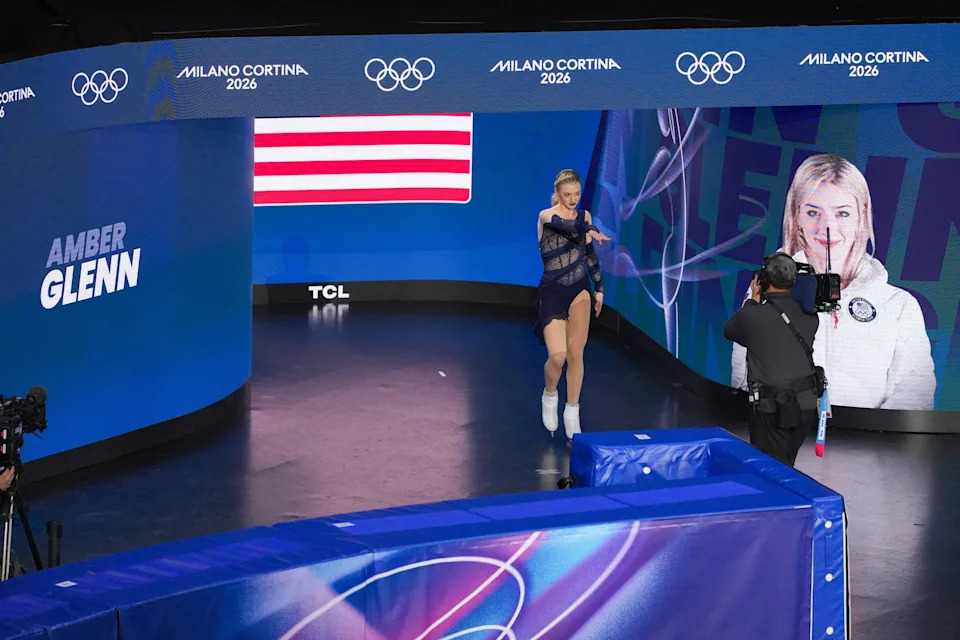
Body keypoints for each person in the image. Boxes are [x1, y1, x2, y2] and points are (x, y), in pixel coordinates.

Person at [731, 153, 936, 410]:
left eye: (842, 213)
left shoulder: (898, 306)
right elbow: (744, 381)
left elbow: (915, 392)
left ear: (861, 216)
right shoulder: (766, 290)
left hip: (867, 436)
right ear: (796, 217)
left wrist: (867, 434)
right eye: (813, 212)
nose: (828, 227)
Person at [723, 253, 820, 467]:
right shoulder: (811, 317)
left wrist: (752, 300)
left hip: (772, 409)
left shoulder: (751, 316)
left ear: (763, 280)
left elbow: (729, 331)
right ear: (793, 281)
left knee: (770, 468)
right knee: (786, 463)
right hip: (805, 406)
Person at [536, 169, 610, 439]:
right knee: (558, 357)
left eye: (577, 194)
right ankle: (550, 394)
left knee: (576, 354)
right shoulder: (546, 216)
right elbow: (567, 226)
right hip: (552, 291)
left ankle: (572, 411)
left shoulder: (584, 216)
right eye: (567, 195)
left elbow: (588, 252)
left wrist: (599, 287)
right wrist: (591, 229)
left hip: (579, 289)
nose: (573, 199)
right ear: (557, 193)